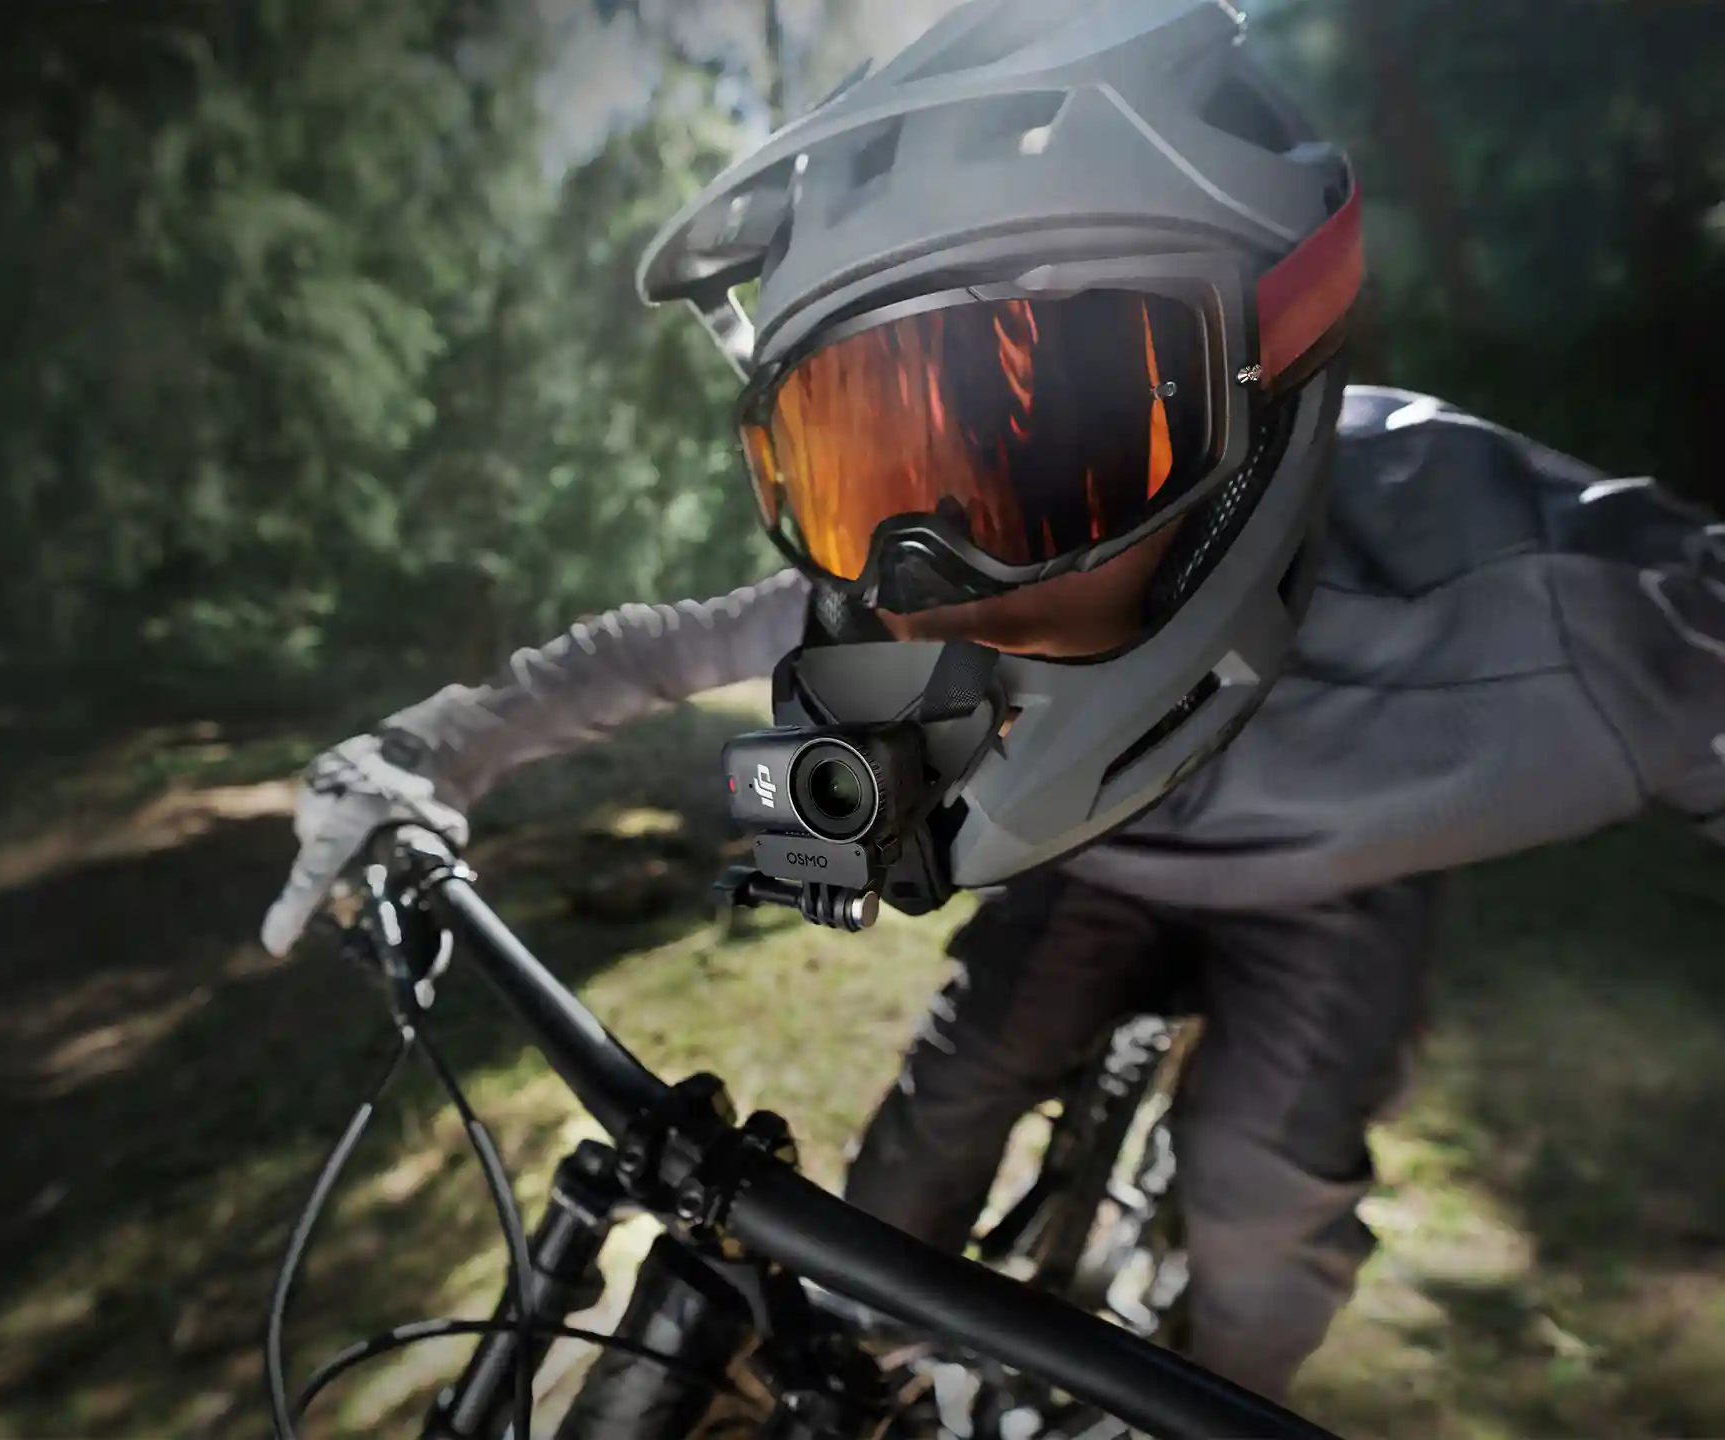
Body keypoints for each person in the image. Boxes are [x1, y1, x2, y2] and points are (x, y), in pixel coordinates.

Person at [260, 0, 1725, 1402]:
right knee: (932, 1133)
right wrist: (423, 750)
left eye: (1057, 433)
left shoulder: (1557, 597)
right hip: (1099, 858)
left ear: (1266, 377)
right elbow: (655, 649)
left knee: (1260, 1226)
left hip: (1334, 890)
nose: (925, 567)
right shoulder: (886, 594)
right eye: (867, 466)